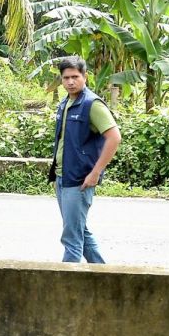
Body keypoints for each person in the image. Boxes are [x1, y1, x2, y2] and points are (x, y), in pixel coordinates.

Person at [49, 55, 121, 263]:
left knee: (71, 239)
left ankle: (65, 287)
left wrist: (95, 172)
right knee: (80, 232)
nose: (70, 82)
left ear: (85, 77)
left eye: (75, 77)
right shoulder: (66, 103)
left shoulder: (92, 104)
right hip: (63, 177)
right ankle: (104, 276)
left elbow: (114, 138)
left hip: (80, 179)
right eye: (65, 78)